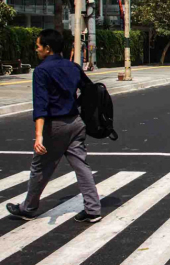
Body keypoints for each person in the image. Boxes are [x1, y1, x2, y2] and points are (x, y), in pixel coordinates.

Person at [7, 29, 102, 223]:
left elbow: (40, 104)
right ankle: (93, 209)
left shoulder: (42, 70)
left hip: (54, 126)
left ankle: (29, 208)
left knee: (39, 167)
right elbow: (89, 89)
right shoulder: (73, 67)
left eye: (38, 46)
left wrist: (39, 135)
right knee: (81, 166)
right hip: (76, 123)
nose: (36, 49)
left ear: (47, 48)